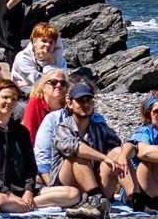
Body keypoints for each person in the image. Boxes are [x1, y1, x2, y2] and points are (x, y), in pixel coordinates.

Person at [0, 80, 76, 208]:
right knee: (1, 201)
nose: (9, 102)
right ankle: (22, 205)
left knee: (73, 193)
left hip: (21, 189)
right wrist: (8, 193)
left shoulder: (21, 132)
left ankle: (24, 205)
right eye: (5, 97)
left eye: (13, 99)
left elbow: (30, 167)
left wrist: (28, 191)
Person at [33, 80, 131, 210]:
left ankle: (134, 198)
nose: (85, 105)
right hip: (65, 184)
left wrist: (123, 154)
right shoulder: (62, 127)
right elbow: (74, 146)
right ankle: (95, 198)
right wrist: (104, 158)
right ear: (69, 103)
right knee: (77, 155)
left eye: (89, 100)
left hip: (95, 181)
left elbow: (122, 144)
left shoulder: (100, 128)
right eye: (80, 101)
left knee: (119, 152)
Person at [9, 20, 71, 91]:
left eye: (51, 42)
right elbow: (39, 82)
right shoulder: (23, 57)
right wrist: (50, 65)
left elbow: (63, 80)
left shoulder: (60, 59)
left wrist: (50, 62)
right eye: (44, 41)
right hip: (23, 91)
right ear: (34, 41)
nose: (48, 45)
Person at [20, 66, 72, 146]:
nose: (58, 85)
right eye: (53, 82)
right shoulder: (35, 102)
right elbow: (29, 132)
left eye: (63, 83)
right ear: (44, 87)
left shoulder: (68, 105)